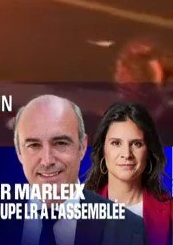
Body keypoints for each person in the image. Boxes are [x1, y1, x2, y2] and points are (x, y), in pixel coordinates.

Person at [14, 94, 147, 245]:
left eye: (61, 143)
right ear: (19, 151)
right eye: (34, 145)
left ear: (82, 147)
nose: (47, 160)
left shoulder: (128, 230)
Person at [84, 101, 173, 244]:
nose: (126, 154)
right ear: (103, 150)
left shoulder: (169, 212)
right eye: (116, 143)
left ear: (148, 151)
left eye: (137, 144)